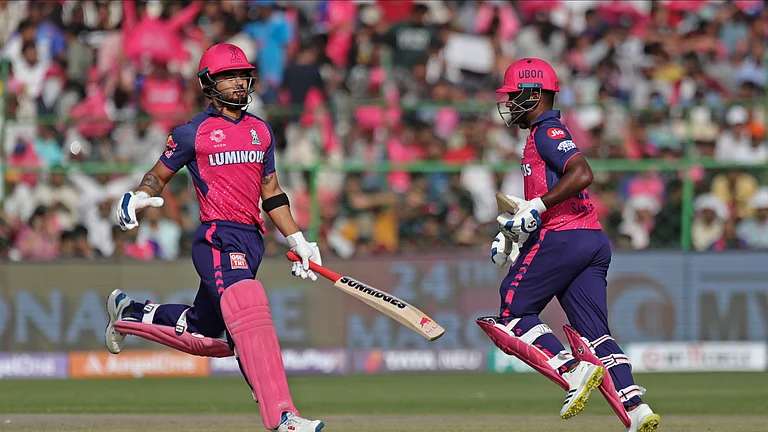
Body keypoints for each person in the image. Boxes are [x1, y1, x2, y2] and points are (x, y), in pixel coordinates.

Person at [104, 43, 324, 432]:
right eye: (229, 77)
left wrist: (298, 240)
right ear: (209, 83)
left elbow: (271, 193)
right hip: (217, 238)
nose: (239, 83)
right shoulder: (193, 133)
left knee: (208, 335)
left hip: (252, 241)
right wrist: (138, 196)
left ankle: (129, 314)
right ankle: (283, 416)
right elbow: (158, 174)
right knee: (249, 311)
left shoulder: (261, 131)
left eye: (242, 76)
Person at [477, 58, 660, 432]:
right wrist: (516, 232)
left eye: (514, 96)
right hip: (590, 239)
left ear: (535, 94)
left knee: (512, 310)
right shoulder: (543, 132)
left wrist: (537, 209)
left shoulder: (546, 130)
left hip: (564, 236)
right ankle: (637, 410)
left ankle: (571, 370)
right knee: (596, 335)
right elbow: (546, 198)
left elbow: (582, 173)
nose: (509, 104)